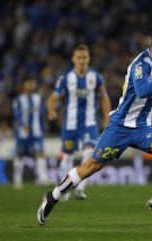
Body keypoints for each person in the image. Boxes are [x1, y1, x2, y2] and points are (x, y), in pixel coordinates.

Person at [37, 26, 152, 225]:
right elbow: (141, 91)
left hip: (142, 128)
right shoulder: (140, 65)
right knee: (91, 166)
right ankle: (52, 196)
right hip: (120, 127)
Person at [47, 44, 111, 200]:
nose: (82, 60)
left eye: (84, 57)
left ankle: (80, 189)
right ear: (73, 59)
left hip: (90, 123)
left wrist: (107, 117)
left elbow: (104, 97)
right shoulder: (65, 78)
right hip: (70, 124)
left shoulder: (96, 77)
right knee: (67, 156)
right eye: (79, 57)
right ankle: (64, 191)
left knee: (90, 153)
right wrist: (51, 110)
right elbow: (54, 97)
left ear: (88, 59)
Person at [12, 76, 49, 189]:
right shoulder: (18, 100)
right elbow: (16, 115)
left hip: (37, 131)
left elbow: (42, 114)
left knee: (40, 152)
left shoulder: (39, 98)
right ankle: (17, 178)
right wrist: (22, 125)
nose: (31, 85)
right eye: (28, 83)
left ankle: (42, 178)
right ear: (24, 85)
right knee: (20, 154)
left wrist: (43, 128)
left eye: (33, 83)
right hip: (23, 133)